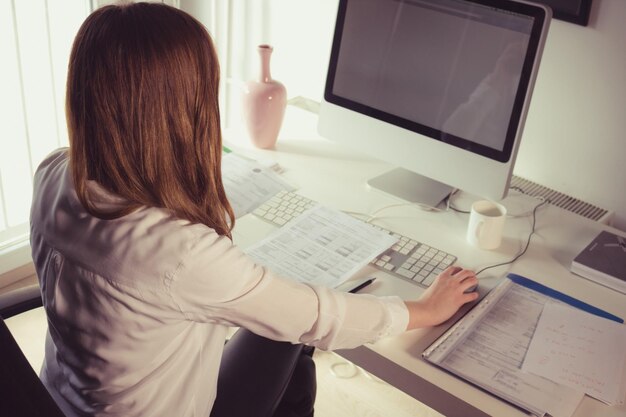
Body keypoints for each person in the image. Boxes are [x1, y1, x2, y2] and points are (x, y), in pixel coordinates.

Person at [29, 3, 479, 417]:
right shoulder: (179, 252)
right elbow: (320, 318)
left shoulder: (54, 172)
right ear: (181, 109)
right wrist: (422, 309)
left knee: (281, 329)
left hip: (67, 399)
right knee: (294, 330)